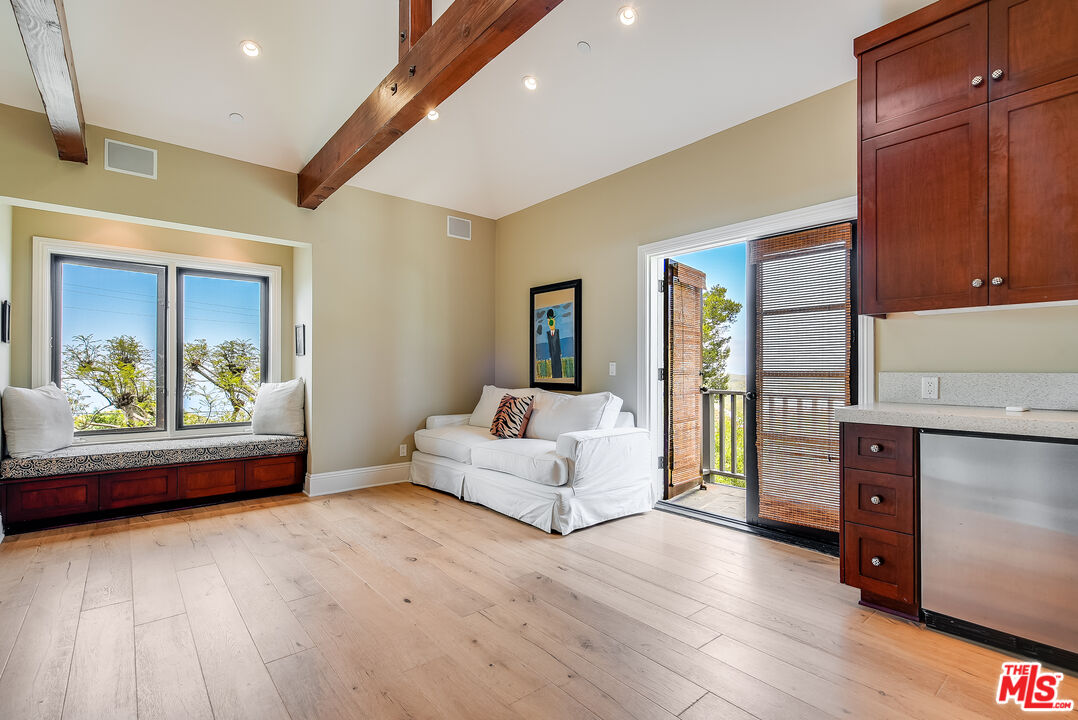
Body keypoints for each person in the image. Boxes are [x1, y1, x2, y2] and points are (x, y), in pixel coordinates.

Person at [545, 308, 562, 378]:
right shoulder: (548, 333)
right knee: (553, 366)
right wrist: (550, 353)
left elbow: (558, 343)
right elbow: (549, 345)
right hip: (552, 354)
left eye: (552, 320)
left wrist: (560, 352)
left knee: (558, 366)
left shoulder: (557, 332)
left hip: (557, 354)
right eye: (549, 320)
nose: (550, 322)